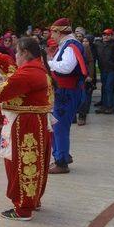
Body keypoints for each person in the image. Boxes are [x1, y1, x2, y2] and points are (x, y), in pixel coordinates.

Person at [0, 37, 53, 220]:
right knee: (35, 164)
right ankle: (32, 200)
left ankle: (23, 208)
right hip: (34, 121)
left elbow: (4, 89)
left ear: (25, 53)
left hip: (25, 124)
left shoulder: (28, 73)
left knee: (20, 164)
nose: (16, 57)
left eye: (17, 53)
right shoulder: (40, 70)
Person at [47, 18, 87, 173]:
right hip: (64, 91)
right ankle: (61, 155)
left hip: (67, 92)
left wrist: (49, 63)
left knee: (60, 126)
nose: (51, 35)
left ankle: (62, 162)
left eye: (53, 32)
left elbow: (66, 67)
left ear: (59, 32)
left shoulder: (70, 46)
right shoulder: (67, 45)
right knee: (58, 125)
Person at [93, 29, 114, 114]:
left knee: (109, 87)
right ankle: (103, 106)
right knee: (104, 87)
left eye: (108, 35)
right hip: (102, 69)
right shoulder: (98, 44)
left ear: (111, 36)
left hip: (112, 69)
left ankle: (110, 106)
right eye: (104, 35)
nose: (105, 36)